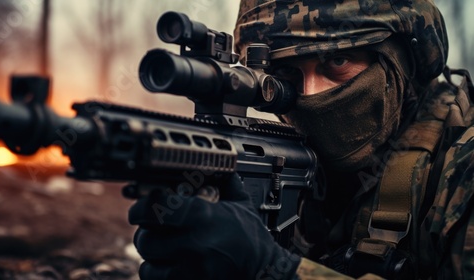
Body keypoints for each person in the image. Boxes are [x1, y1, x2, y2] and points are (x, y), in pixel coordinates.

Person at [128, 0, 474, 279]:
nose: (311, 96)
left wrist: (275, 270)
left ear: (401, 60)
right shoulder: (283, 157)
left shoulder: (462, 162)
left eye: (338, 60)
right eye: (285, 74)